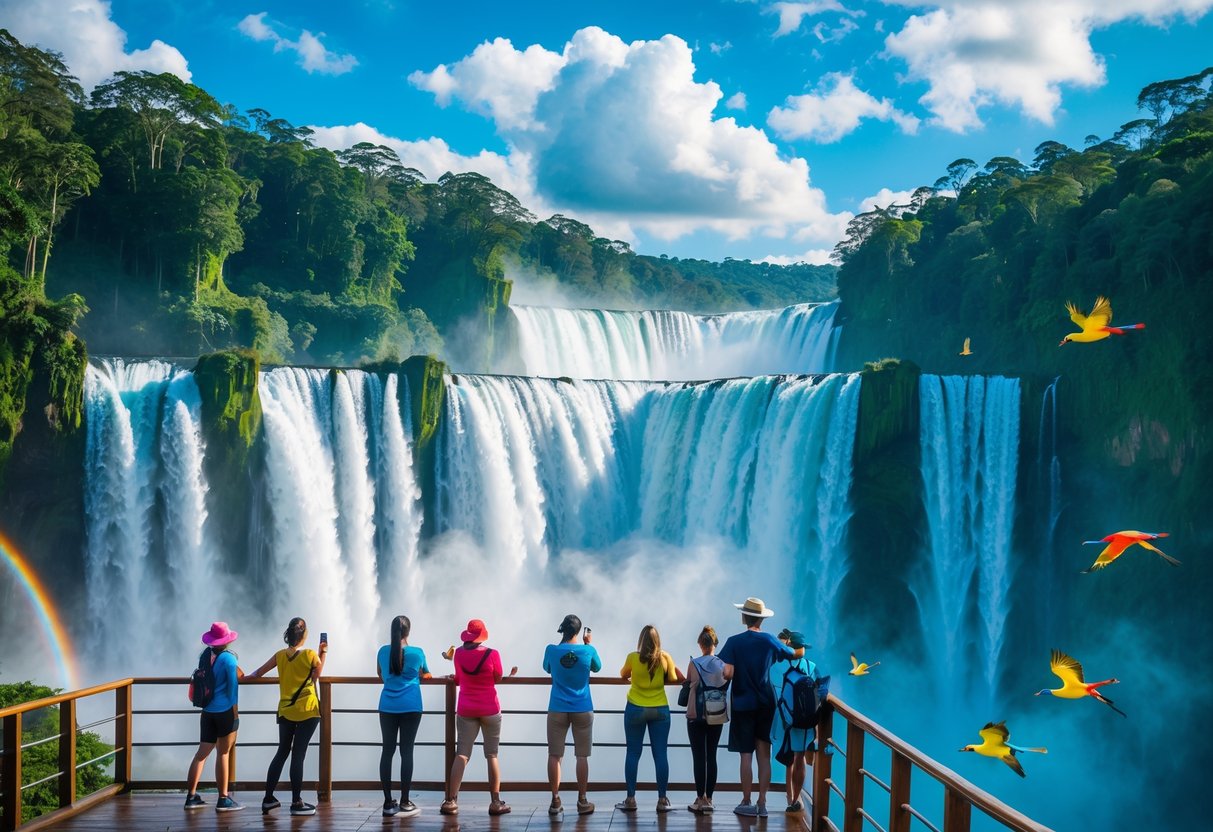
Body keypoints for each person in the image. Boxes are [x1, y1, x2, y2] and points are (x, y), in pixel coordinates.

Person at [718, 597, 803, 818]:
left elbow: (727, 672)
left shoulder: (734, 641)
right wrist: (797, 645)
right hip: (766, 703)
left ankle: (746, 801)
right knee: (764, 755)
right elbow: (793, 654)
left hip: (742, 703)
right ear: (761, 619)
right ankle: (762, 802)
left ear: (744, 617)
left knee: (745, 755)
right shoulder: (770, 640)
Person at [245, 617, 327, 816]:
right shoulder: (310, 654)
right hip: (307, 710)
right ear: (304, 635)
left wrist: (244, 678)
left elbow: (259, 672)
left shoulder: (280, 655)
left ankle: (268, 799)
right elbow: (316, 675)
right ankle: (296, 802)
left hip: (286, 710)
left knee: (282, 752)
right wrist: (323, 652)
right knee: (298, 754)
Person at [441, 619, 518, 817]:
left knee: (462, 754)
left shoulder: (458, 654)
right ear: (482, 635)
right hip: (490, 709)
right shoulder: (492, 654)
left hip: (466, 709)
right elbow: (497, 677)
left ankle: (451, 801)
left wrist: (453, 678)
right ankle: (495, 802)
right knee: (491, 755)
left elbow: (459, 679)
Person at [615, 624, 684, 813]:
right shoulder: (665, 657)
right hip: (660, 709)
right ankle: (662, 800)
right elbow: (673, 678)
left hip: (635, 708)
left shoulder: (633, 657)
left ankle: (631, 799)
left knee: (633, 753)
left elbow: (623, 674)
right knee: (660, 754)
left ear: (641, 640)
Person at [543, 613, 601, 817]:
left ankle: (555, 800)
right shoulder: (588, 650)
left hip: (557, 707)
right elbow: (597, 667)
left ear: (562, 630)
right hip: (582, 707)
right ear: (579, 631)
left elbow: (547, 668)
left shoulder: (551, 650)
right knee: (581, 756)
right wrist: (587, 644)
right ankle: (582, 800)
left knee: (554, 755)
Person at [375, 615, 431, 817]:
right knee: (407, 752)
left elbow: (380, 674)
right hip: (411, 705)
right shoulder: (418, 653)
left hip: (387, 705)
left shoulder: (383, 652)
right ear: (408, 632)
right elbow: (426, 673)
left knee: (387, 751)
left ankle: (388, 803)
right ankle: (405, 802)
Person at [184, 622, 244, 812]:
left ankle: (191, 797)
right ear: (227, 640)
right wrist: (235, 712)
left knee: (201, 755)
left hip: (207, 711)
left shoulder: (205, 656)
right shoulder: (229, 659)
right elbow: (232, 689)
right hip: (225, 711)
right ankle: (223, 799)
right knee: (223, 753)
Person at [768, 629, 821, 813]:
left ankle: (790, 796)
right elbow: (822, 693)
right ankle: (796, 797)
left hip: (785, 718)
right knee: (800, 757)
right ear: (803, 648)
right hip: (805, 721)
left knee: (788, 758)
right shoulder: (812, 667)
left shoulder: (780, 667)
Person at [684, 625, 727, 814]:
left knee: (699, 757)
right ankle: (709, 799)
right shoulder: (723, 665)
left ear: (700, 644)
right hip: (716, 713)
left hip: (696, 714)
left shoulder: (694, 664)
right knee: (712, 755)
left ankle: (700, 798)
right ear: (715, 643)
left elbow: (688, 682)